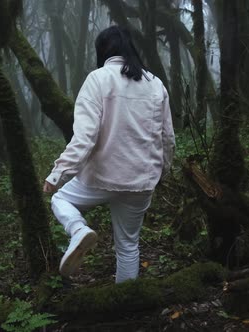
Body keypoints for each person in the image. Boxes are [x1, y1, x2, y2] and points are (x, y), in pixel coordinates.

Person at [43, 26, 175, 284]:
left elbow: (84, 138)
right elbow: (167, 137)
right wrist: (163, 171)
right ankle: (125, 305)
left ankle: (79, 230)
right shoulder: (155, 84)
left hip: (102, 177)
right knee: (128, 246)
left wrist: (58, 173)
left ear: (103, 50)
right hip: (141, 181)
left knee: (60, 199)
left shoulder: (98, 79)